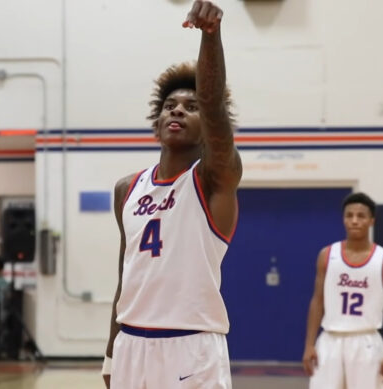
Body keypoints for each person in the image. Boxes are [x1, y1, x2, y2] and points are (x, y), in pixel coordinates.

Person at [103, 1, 242, 387]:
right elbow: (125, 276)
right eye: (169, 106)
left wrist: (210, 38)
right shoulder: (127, 189)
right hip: (132, 342)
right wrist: (111, 350)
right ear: (157, 121)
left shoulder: (214, 179)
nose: (177, 111)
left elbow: (215, 108)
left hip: (191, 346)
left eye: (190, 106)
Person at [302, 193, 383, 389]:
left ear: (371, 220)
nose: (354, 221)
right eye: (349, 215)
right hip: (330, 340)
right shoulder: (327, 255)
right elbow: (318, 300)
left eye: (361, 216)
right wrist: (309, 344)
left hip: (367, 341)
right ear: (343, 219)